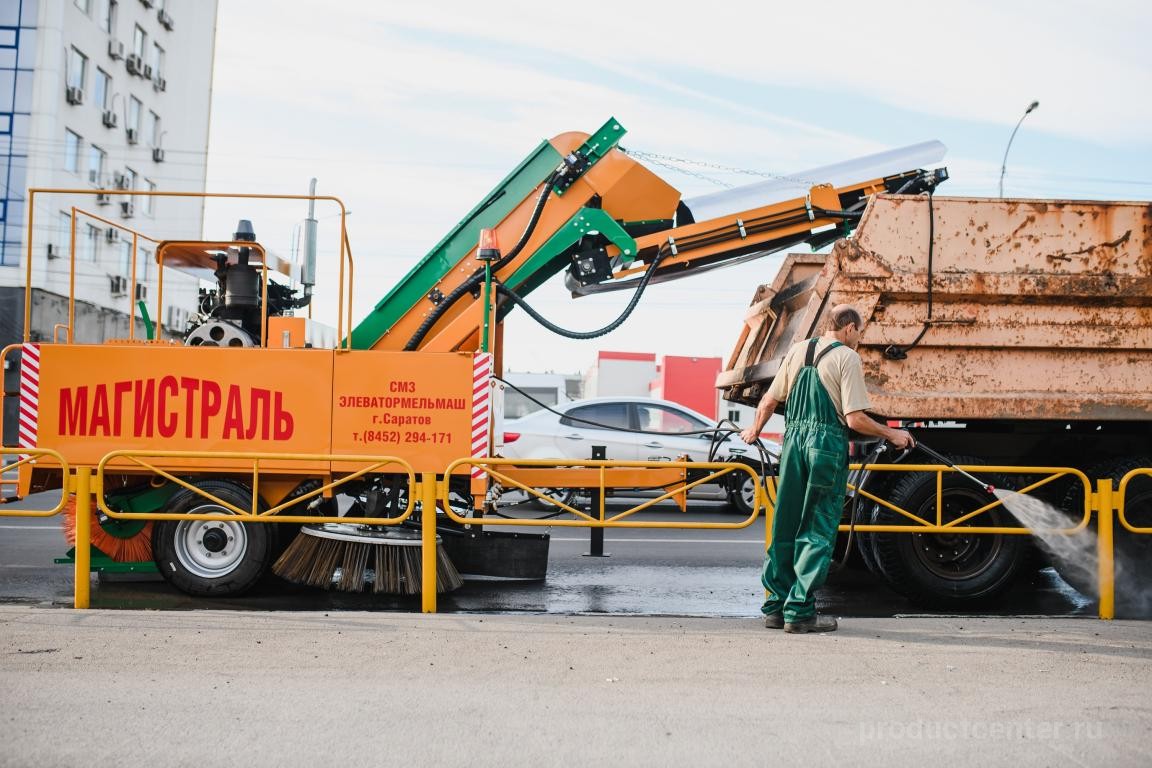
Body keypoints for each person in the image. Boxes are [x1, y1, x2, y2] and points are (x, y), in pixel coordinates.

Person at [740, 304, 914, 633]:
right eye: (859, 333)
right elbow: (855, 419)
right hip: (825, 450)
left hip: (792, 446)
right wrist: (893, 434)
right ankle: (800, 613)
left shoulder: (798, 350)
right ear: (848, 328)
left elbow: (769, 401)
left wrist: (754, 431)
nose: (859, 339)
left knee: (786, 525)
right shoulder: (847, 358)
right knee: (816, 527)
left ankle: (775, 608)